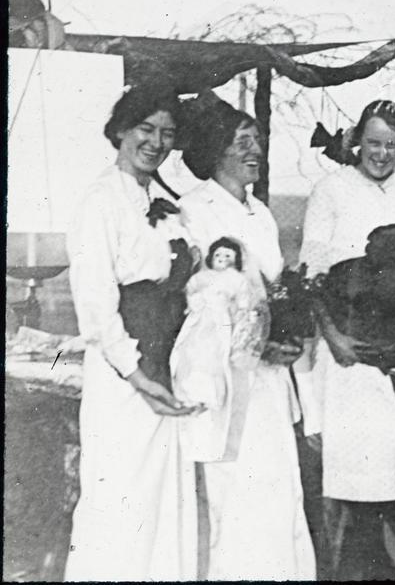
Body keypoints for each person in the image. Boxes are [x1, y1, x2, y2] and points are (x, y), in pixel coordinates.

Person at [297, 99, 395, 579]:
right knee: (358, 481)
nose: (382, 154)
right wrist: (334, 338)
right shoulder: (332, 189)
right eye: (374, 142)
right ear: (356, 140)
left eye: (393, 145)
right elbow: (312, 275)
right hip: (352, 350)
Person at [64, 85, 201, 581]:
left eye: (167, 133)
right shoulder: (100, 201)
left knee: (165, 503)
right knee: (121, 500)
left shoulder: (164, 200)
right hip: (125, 377)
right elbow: (97, 306)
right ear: (121, 130)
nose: (156, 141)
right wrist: (137, 375)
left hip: (169, 367)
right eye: (146, 129)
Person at [177, 94, 316, 580]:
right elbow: (202, 298)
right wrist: (256, 341)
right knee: (235, 487)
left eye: (256, 139)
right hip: (227, 373)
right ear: (216, 149)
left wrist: (287, 331)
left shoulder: (262, 213)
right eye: (242, 141)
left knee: (277, 484)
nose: (254, 148)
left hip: (270, 374)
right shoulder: (194, 211)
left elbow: (275, 287)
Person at [171, 237, 262, 462]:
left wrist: (238, 318)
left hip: (221, 324)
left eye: (228, 257)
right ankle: (190, 394)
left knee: (214, 360)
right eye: (219, 256)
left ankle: (208, 396)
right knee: (191, 356)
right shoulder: (200, 278)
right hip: (197, 322)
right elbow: (190, 293)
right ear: (211, 257)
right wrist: (196, 301)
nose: (222, 260)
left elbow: (244, 304)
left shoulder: (237, 280)